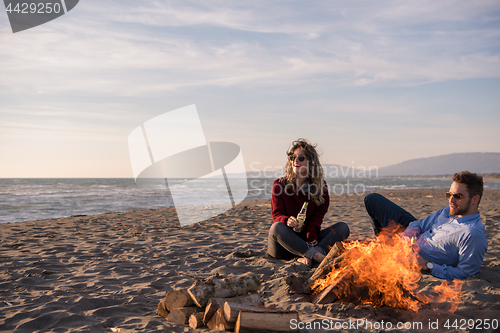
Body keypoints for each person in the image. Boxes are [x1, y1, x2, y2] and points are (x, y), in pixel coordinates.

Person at [364, 171, 488, 280]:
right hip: (411, 239)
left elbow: (464, 273)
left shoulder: (472, 233)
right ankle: (383, 242)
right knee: (372, 199)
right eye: (449, 195)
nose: (451, 200)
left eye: (458, 196)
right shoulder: (448, 211)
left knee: (363, 259)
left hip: (414, 258)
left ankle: (385, 247)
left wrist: (426, 265)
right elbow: (419, 224)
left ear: (475, 200)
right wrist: (406, 237)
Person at [267, 138, 350, 267]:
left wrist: (311, 233)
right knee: (276, 227)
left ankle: (311, 254)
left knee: (342, 227)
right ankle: (318, 256)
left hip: (307, 241)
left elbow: (318, 216)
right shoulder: (279, 185)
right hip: (284, 245)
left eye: (301, 158)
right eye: (292, 157)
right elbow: (277, 214)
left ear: (311, 163)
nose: (295, 161)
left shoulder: (321, 187)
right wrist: (286, 220)